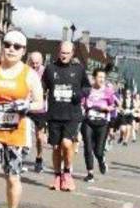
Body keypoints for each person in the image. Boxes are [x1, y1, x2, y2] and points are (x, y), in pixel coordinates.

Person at [0, 29, 43, 208]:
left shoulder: (29, 74)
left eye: (17, 46)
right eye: (7, 45)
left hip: (16, 131)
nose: (11, 49)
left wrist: (27, 106)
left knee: (12, 178)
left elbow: (40, 103)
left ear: (23, 51)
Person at [41, 39, 89, 191]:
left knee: (67, 144)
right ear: (58, 52)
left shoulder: (79, 69)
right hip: (55, 114)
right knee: (56, 147)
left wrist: (79, 94)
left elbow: (87, 88)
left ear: (72, 54)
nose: (64, 56)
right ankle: (57, 176)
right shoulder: (50, 68)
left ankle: (67, 173)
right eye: (62, 53)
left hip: (72, 114)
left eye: (67, 53)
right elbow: (42, 88)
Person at [81, 68, 115, 182]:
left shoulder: (108, 91)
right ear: (94, 78)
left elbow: (113, 106)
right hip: (88, 121)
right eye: (99, 77)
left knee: (98, 151)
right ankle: (90, 173)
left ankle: (101, 161)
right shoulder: (87, 90)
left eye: (103, 78)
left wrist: (106, 108)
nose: (101, 80)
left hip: (102, 123)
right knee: (88, 147)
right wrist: (85, 107)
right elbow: (81, 103)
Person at [25, 50, 48, 172]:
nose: (34, 66)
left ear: (42, 62)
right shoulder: (24, 71)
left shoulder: (45, 72)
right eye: (32, 63)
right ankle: (19, 157)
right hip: (26, 106)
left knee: (39, 137)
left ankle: (39, 158)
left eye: (37, 63)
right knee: (24, 132)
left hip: (40, 108)